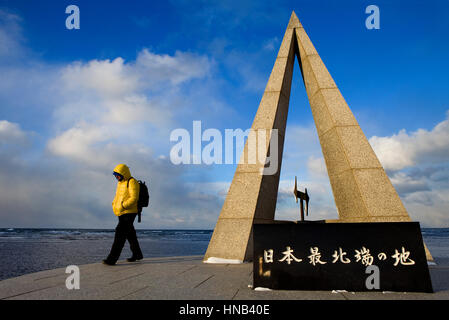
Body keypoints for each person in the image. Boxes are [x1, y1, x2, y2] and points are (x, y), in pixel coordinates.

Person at [103, 164, 143, 265]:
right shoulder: (120, 183)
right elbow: (118, 196)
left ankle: (112, 259)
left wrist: (123, 205)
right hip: (121, 212)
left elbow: (134, 198)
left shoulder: (132, 181)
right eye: (115, 175)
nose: (116, 177)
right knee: (130, 234)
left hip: (129, 212)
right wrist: (114, 204)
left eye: (118, 175)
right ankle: (137, 254)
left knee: (120, 234)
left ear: (123, 173)